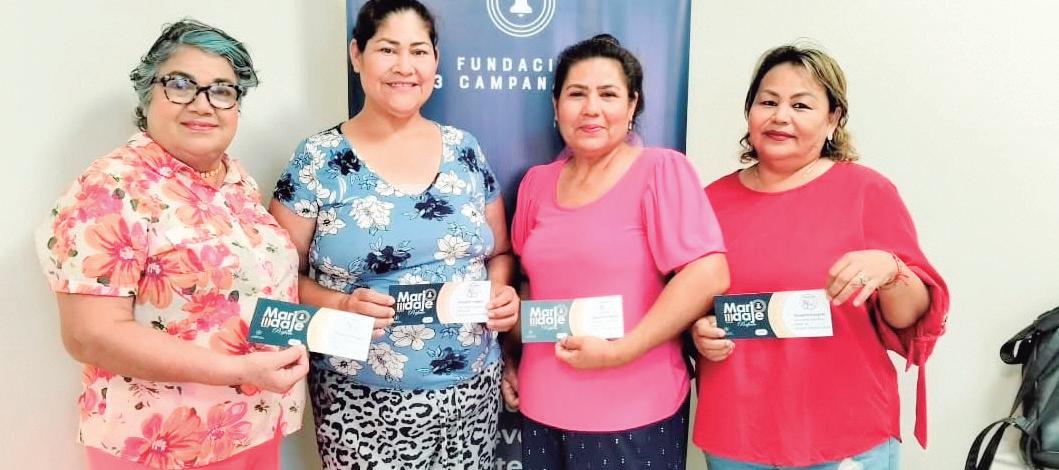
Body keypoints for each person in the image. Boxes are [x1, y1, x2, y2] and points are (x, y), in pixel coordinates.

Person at [35, 19, 309, 470]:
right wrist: (239, 371)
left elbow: (247, 295)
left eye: (222, 90)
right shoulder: (109, 187)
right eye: (181, 85)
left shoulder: (235, 181)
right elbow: (90, 334)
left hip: (252, 425)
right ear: (148, 94)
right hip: (161, 445)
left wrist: (340, 316)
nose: (203, 104)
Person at [268, 1, 519, 468]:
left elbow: (499, 252)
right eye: (388, 49)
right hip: (359, 400)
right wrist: (341, 304)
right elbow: (277, 279)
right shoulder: (317, 159)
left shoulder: (465, 150)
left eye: (418, 51)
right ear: (356, 54)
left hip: (471, 394)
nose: (405, 66)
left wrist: (501, 291)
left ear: (435, 61)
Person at [691, 44, 950, 469]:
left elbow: (910, 317)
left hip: (843, 431)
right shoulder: (708, 202)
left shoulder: (866, 192)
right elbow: (687, 304)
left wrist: (891, 270)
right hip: (738, 432)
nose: (781, 116)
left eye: (801, 105)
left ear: (833, 119)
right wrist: (698, 332)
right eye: (768, 102)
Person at [502, 34, 730, 470]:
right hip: (542, 404)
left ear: (631, 106)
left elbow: (708, 273)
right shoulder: (536, 184)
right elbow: (527, 284)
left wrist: (622, 350)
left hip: (634, 410)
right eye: (576, 94)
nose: (591, 108)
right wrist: (511, 355)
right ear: (555, 106)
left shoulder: (661, 170)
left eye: (608, 94)